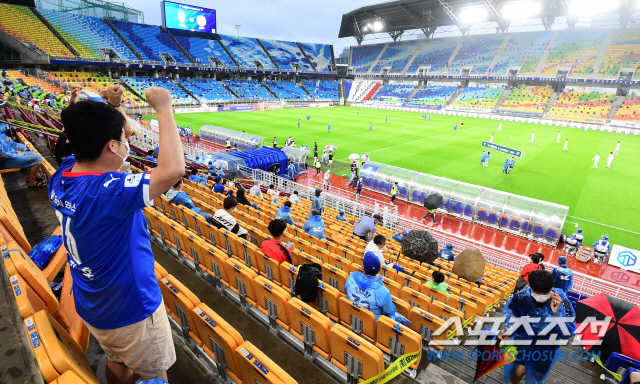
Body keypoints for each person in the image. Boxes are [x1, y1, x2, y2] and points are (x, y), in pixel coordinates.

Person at [48, 86, 183, 382]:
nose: (128, 143)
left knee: (117, 359)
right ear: (111, 146)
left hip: (94, 303)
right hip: (131, 310)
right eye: (123, 141)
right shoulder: (109, 193)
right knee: (153, 374)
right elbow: (173, 169)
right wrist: (163, 107)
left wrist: (115, 105)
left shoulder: (64, 174)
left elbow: (94, 135)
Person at [500, 270, 576, 384]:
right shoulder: (521, 297)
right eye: (537, 292)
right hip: (521, 345)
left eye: (544, 293)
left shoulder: (562, 302)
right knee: (516, 373)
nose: (540, 296)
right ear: (530, 285)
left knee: (535, 379)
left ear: (551, 287)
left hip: (544, 351)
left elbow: (567, 333)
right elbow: (512, 319)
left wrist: (557, 313)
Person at [345, 252, 409, 324]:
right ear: (379, 270)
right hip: (371, 329)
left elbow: (346, 291)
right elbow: (388, 311)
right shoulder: (384, 292)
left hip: (349, 319)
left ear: (362, 267)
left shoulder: (351, 278)